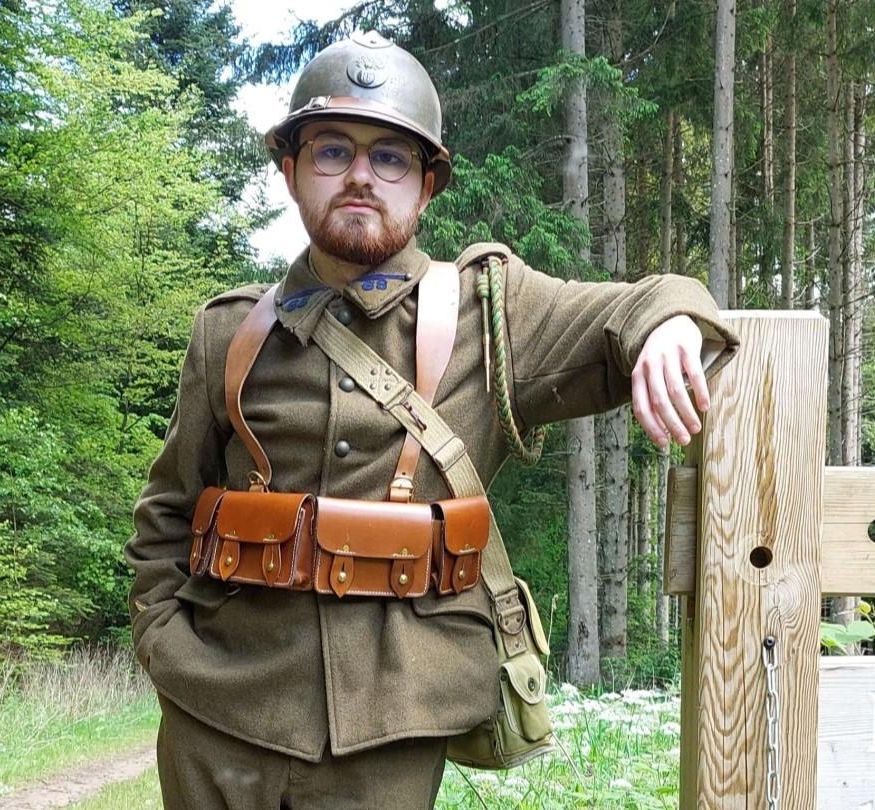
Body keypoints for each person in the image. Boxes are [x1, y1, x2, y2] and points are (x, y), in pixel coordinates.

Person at [125, 30, 739, 810]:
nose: (360, 176)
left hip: (391, 736)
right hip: (214, 717)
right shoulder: (230, 333)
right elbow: (167, 515)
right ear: (291, 171)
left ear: (426, 186)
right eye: (332, 150)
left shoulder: (491, 310)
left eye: (390, 157)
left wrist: (672, 325)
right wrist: (164, 645)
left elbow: (648, 301)